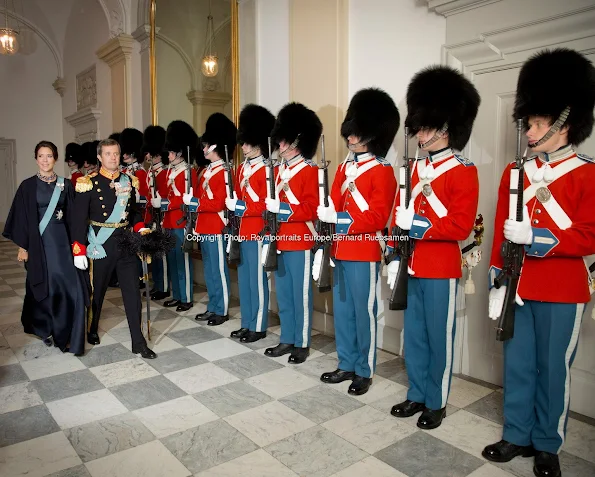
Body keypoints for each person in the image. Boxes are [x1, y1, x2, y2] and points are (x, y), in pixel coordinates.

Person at [482, 48, 595, 477]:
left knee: (553, 369)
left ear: (565, 125)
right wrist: (496, 271)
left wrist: (539, 237)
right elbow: (499, 228)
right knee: (519, 362)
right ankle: (517, 433)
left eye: (538, 124)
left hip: (563, 287)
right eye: (528, 123)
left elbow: (590, 235)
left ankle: (547, 443)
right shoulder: (515, 172)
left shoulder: (588, 173)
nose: (529, 131)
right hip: (518, 283)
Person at [388, 66, 480, 428]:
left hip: (441, 265)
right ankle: (417, 393)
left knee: (438, 337)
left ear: (446, 127)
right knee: (414, 333)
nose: (420, 133)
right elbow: (402, 213)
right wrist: (396, 247)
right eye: (420, 125)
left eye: (427, 127)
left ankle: (437, 400)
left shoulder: (463, 169)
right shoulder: (414, 169)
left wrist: (419, 227)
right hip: (413, 263)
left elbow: (459, 225)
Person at [317, 88, 399, 394]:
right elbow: (334, 204)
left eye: (357, 133)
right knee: (344, 311)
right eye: (350, 132)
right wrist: (326, 210)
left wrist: (339, 219)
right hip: (339, 248)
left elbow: (377, 217)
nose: (351, 138)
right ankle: (346, 362)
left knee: (363, 312)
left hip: (363, 249)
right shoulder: (342, 168)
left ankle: (364, 369)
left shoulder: (383, 171)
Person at [71, 138, 156, 359]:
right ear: (99, 157)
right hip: (100, 243)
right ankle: (92, 327)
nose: (113, 158)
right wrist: (78, 249)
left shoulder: (130, 180)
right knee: (97, 291)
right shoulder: (87, 182)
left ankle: (138, 341)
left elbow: (135, 212)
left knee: (132, 293)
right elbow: (79, 219)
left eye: (116, 153)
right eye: (108, 154)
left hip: (126, 242)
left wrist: (140, 228)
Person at [3, 141, 88, 355]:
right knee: (43, 286)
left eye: (49, 156)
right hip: (39, 245)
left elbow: (74, 219)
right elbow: (20, 218)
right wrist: (23, 246)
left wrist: (78, 248)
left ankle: (65, 332)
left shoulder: (66, 185)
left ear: (55, 158)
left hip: (62, 244)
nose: (45, 160)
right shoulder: (27, 186)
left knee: (66, 286)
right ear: (36, 158)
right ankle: (45, 328)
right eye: (41, 156)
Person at [263, 103, 321, 358]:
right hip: (280, 239)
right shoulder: (279, 170)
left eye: (284, 142)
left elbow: (311, 208)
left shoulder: (309, 170)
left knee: (301, 295)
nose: (280, 146)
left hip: (301, 240)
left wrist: (283, 209)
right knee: (284, 294)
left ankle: (302, 342)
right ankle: (287, 337)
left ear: (297, 140)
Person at [224, 104, 275, 339]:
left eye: (246, 142)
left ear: (258, 142)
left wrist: (241, 207)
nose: (243, 146)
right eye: (242, 142)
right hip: (241, 230)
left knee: (257, 281)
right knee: (244, 280)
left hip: (257, 230)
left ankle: (259, 326)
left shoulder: (267, 169)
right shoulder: (242, 168)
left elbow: (266, 204)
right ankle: (247, 321)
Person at [185, 113, 236, 327]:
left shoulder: (224, 171)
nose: (203, 148)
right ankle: (213, 305)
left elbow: (218, 204)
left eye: (205, 145)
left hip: (216, 226)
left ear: (214, 146)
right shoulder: (206, 171)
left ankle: (221, 308)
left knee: (218, 270)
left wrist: (195, 203)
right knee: (209, 269)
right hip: (204, 226)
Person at [153, 120, 198, 312]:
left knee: (183, 260)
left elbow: (185, 199)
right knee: (172, 259)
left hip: (181, 222)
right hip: (170, 221)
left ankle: (186, 297)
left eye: (171, 152)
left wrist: (165, 204)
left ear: (180, 152)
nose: (168, 155)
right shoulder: (172, 171)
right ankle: (177, 295)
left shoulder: (189, 172)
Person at [141, 125, 171, 301]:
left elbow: (165, 195)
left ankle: (164, 286)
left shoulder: (163, 172)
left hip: (161, 216)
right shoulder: (151, 172)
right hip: (152, 215)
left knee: (162, 255)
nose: (146, 156)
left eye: (149, 153)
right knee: (155, 254)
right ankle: (158, 283)